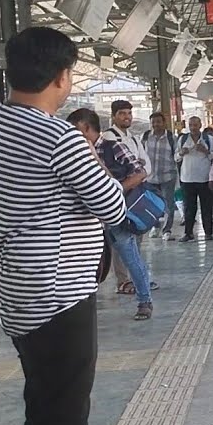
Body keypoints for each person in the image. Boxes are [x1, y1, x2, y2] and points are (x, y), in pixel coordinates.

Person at [0, 27, 126, 425]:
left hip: (14, 290)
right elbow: (112, 205)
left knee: (41, 409)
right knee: (62, 423)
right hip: (59, 294)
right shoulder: (59, 136)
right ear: (63, 77)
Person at [68, 109, 156, 321]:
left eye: (74, 130)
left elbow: (140, 172)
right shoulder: (74, 153)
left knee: (130, 256)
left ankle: (144, 300)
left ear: (86, 127)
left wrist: (115, 192)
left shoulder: (112, 146)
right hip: (89, 217)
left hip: (117, 214)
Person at [103, 100, 152, 294]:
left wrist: (139, 170)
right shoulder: (109, 138)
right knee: (120, 238)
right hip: (120, 194)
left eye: (129, 113)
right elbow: (132, 166)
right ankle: (123, 280)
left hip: (136, 194)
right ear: (113, 116)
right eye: (122, 113)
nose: (127, 117)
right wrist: (137, 169)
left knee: (136, 234)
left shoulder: (133, 138)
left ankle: (137, 277)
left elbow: (146, 165)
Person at [176, 117, 213, 242]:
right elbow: (176, 157)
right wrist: (181, 153)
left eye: (195, 125)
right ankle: (188, 233)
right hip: (187, 178)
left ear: (200, 125)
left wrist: (205, 151)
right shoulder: (183, 139)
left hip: (204, 177)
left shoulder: (208, 139)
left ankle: (208, 232)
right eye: (191, 125)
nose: (193, 128)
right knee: (189, 208)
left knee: (206, 207)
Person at [142, 112, 178, 240]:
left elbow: (176, 155)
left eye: (158, 122)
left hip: (167, 176)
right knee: (151, 204)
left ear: (164, 123)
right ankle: (155, 226)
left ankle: (166, 230)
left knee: (168, 204)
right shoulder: (145, 137)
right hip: (150, 177)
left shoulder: (171, 138)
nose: (156, 124)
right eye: (153, 122)